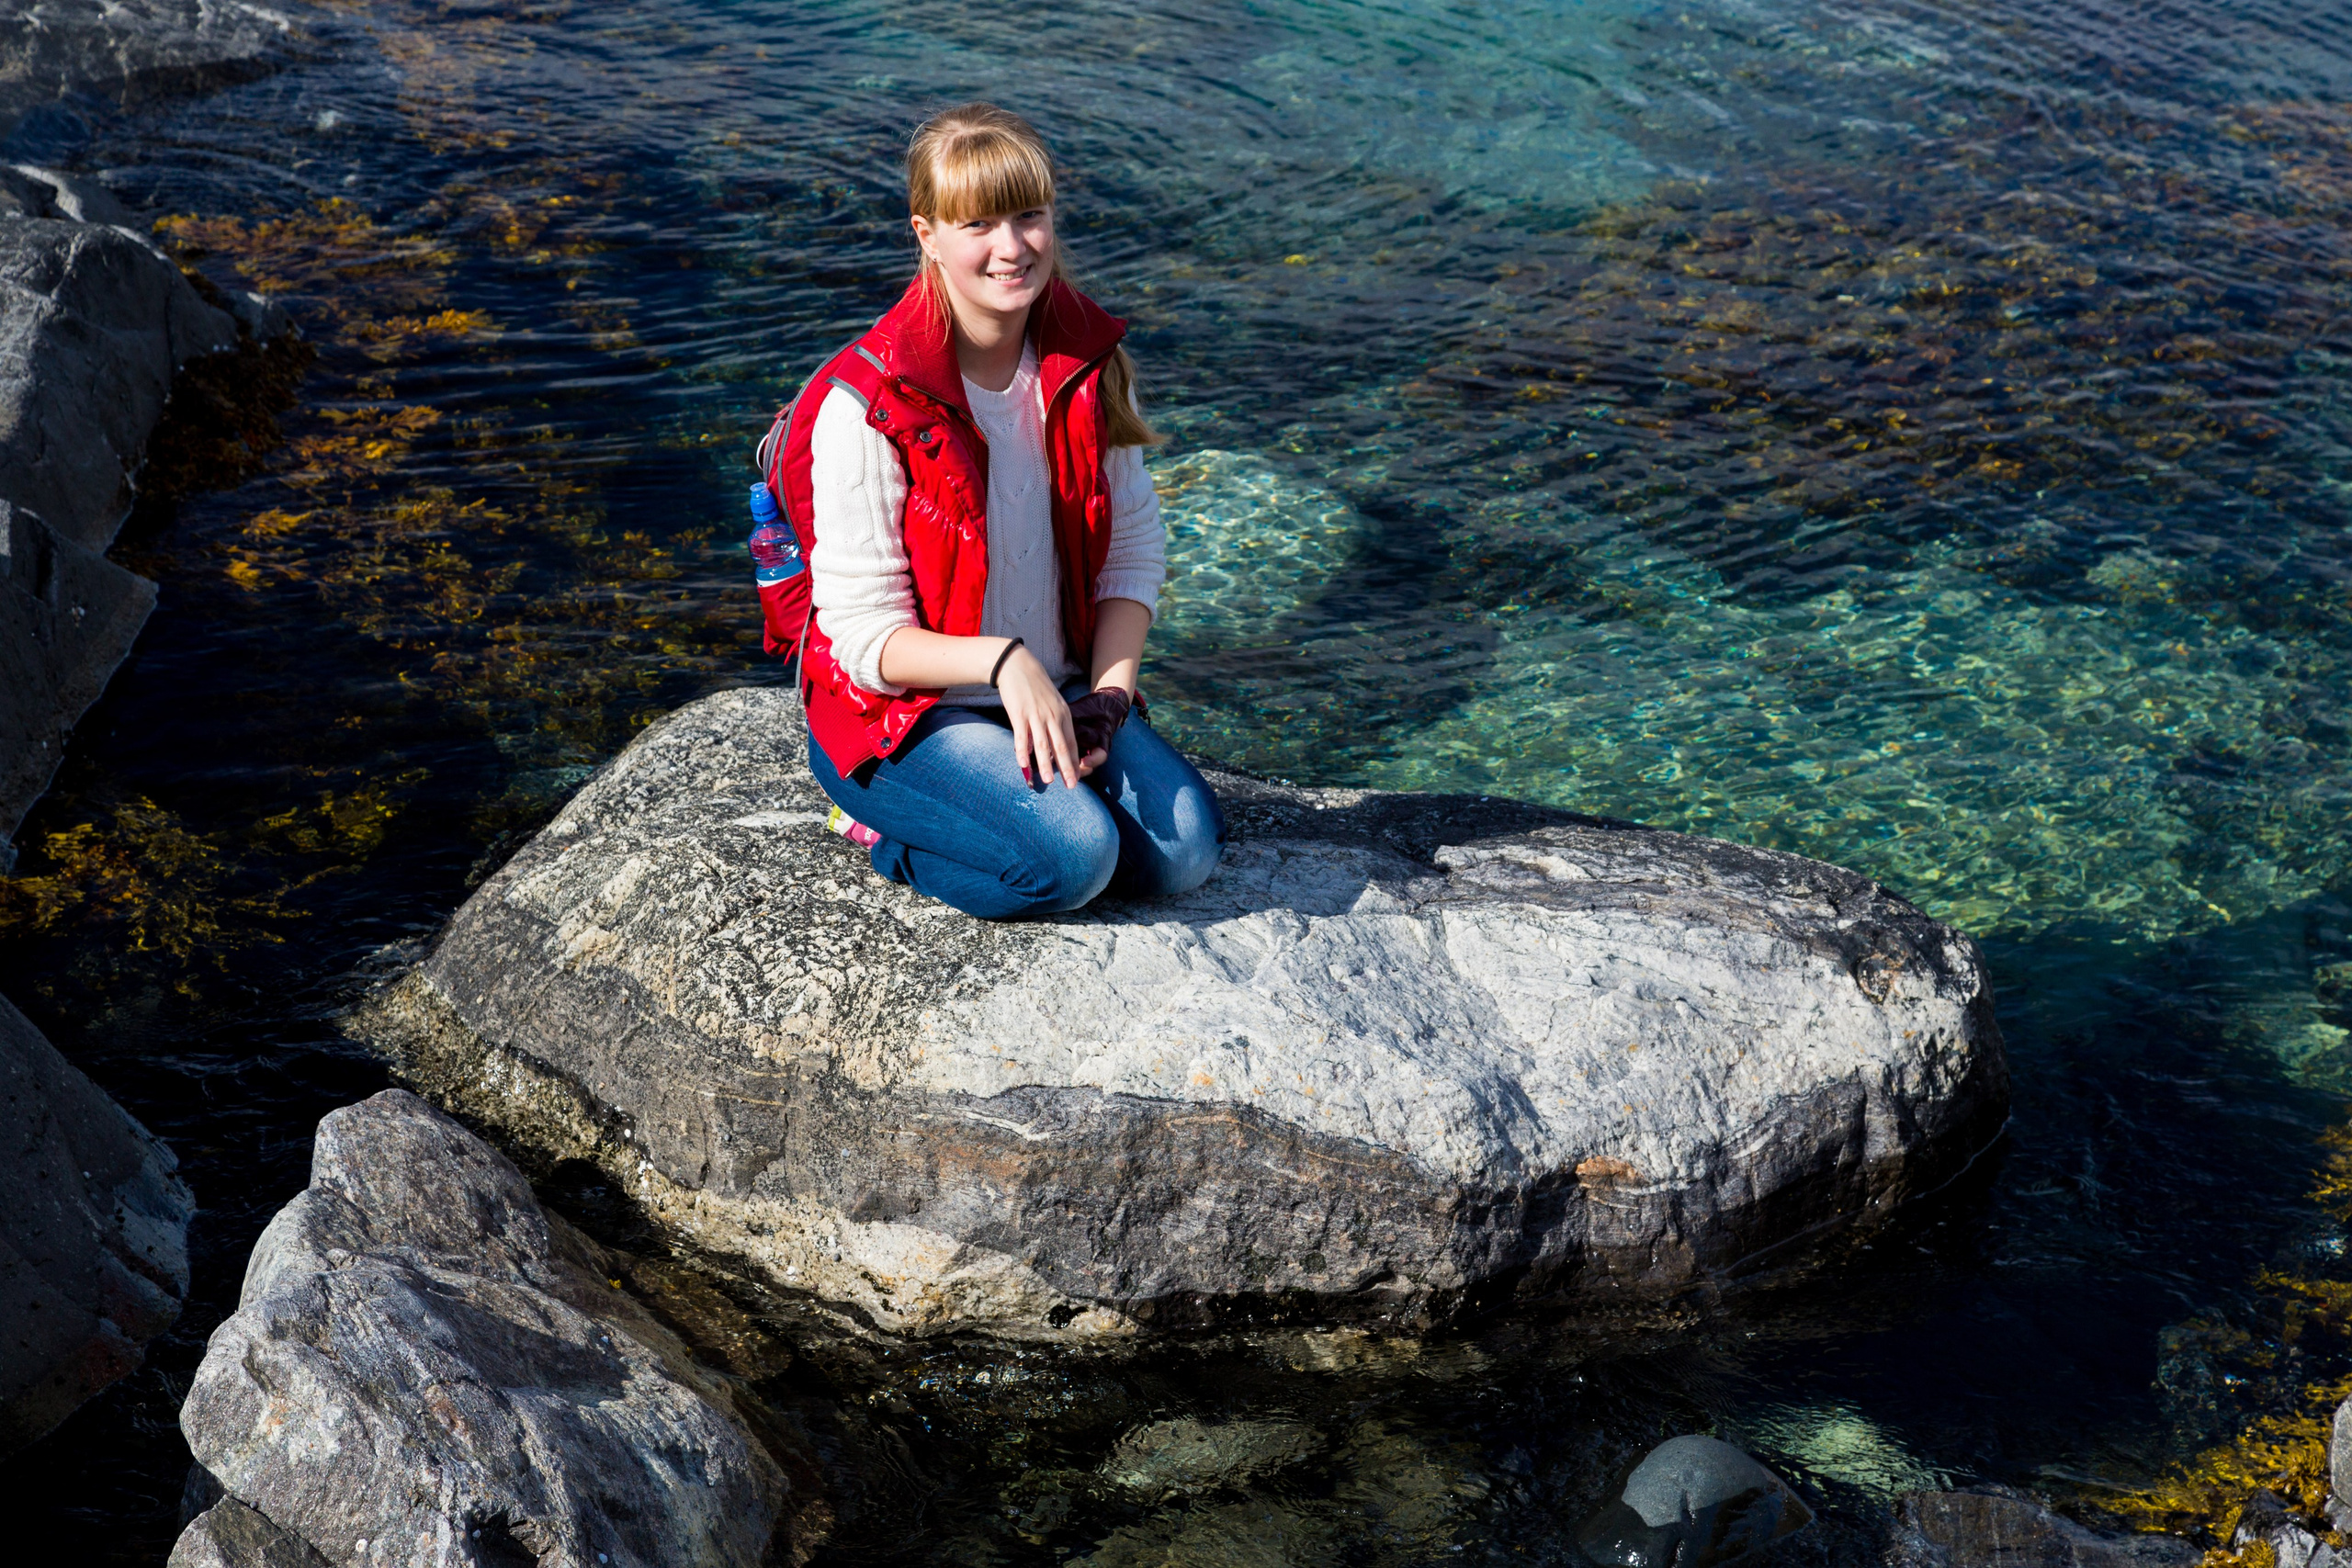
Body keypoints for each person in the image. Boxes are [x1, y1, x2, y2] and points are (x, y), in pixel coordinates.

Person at [777, 102, 1224, 919]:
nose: (1012, 247)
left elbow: (1131, 552)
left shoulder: (1087, 365)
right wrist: (1004, 661)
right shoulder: (869, 404)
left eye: (1029, 216)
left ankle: (1003, 808)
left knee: (1185, 853)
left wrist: (1109, 697)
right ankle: (885, 834)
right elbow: (866, 642)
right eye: (978, 223)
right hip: (903, 721)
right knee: (1076, 856)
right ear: (926, 234)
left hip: (1059, 693)